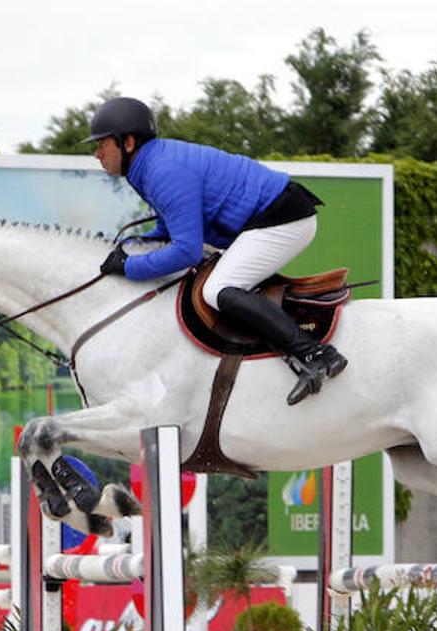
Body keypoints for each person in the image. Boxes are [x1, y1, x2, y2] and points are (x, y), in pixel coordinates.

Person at [86, 96, 347, 406]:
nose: (97, 153)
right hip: (269, 217)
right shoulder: (147, 165)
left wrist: (129, 267)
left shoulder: (161, 170)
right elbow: (171, 228)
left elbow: (187, 252)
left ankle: (316, 353)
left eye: (102, 144)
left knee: (217, 289)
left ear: (127, 142)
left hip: (283, 220)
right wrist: (137, 245)